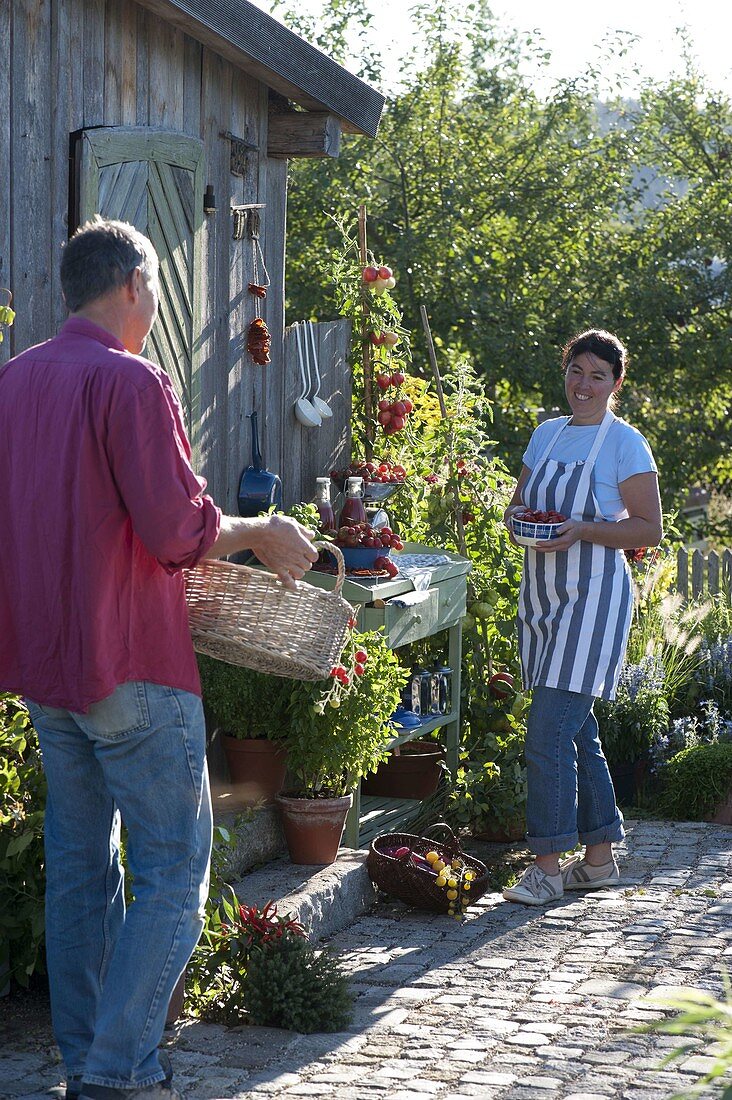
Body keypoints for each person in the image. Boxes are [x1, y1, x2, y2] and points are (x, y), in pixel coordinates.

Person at [0, 217, 318, 1098]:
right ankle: (117, 1070)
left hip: (46, 673)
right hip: (131, 663)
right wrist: (262, 531)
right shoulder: (131, 381)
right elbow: (178, 530)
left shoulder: (12, 383)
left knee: (80, 869)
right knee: (175, 871)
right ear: (134, 287)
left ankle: (85, 1061)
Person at [501, 329, 662, 906]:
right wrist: (521, 519)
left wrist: (583, 529)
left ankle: (546, 867)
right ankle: (597, 861)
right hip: (544, 598)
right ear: (564, 372)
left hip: (594, 601)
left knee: (547, 732)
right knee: (578, 730)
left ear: (616, 384)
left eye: (598, 375)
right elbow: (519, 505)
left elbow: (649, 529)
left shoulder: (625, 445)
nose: (584, 384)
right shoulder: (546, 435)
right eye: (576, 370)